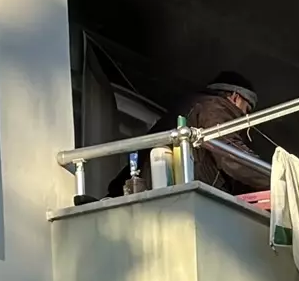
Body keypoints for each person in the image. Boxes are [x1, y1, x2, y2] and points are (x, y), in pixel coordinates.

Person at [107, 71, 269, 197]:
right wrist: (274, 179)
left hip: (153, 195)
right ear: (235, 97)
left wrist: (115, 192)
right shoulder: (215, 107)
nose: (246, 116)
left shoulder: (189, 108)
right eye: (247, 109)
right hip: (190, 199)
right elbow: (232, 155)